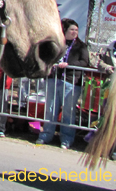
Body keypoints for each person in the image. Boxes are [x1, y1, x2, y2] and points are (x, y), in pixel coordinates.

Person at [35, 18, 89, 149]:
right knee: (51, 109)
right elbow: (46, 56)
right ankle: (46, 135)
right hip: (54, 79)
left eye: (76, 30)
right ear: (65, 30)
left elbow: (85, 62)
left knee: (68, 112)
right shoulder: (58, 43)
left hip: (71, 82)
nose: (74, 32)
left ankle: (66, 138)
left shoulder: (81, 46)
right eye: (72, 29)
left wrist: (69, 65)